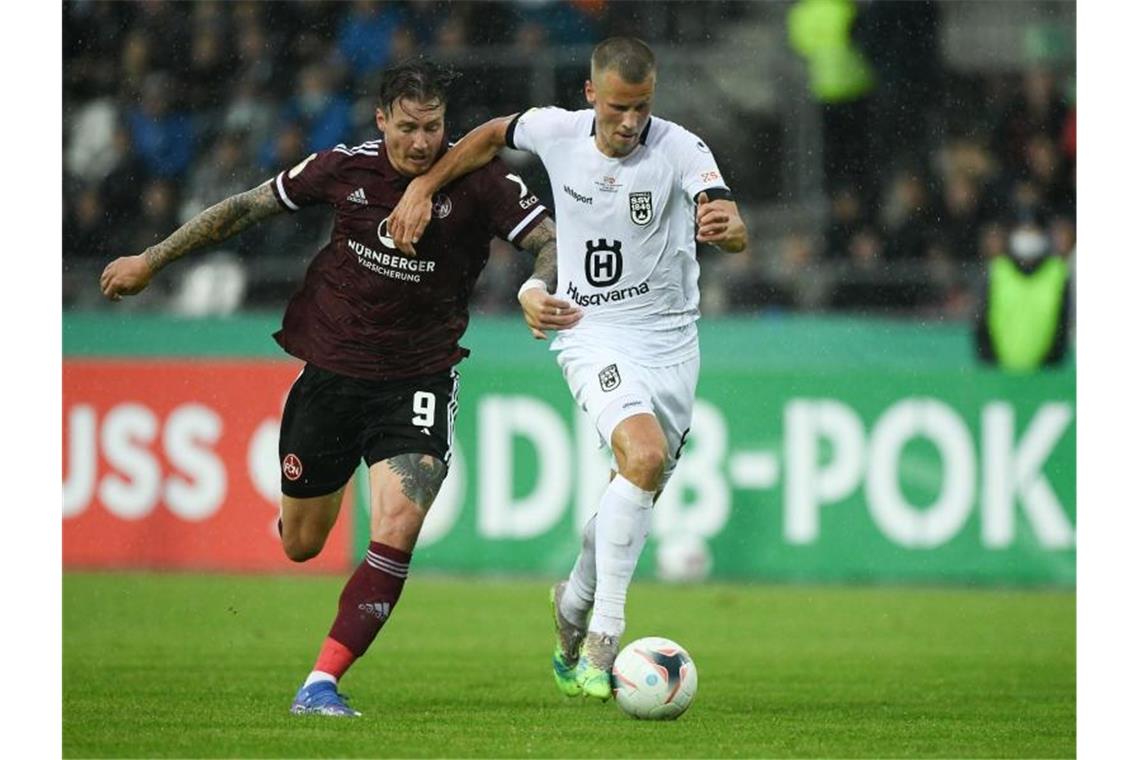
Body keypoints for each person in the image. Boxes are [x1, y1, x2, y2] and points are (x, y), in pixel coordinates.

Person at [99, 58, 578, 717]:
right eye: (407, 127)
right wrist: (151, 260)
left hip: (418, 378)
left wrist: (534, 286)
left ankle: (320, 682)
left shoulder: (484, 182)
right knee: (302, 542)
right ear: (381, 120)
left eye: (433, 128)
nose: (420, 142)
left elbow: (550, 240)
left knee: (399, 523)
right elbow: (244, 209)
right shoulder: (345, 167)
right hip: (331, 375)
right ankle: (308, 513)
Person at [387, 37, 748, 701]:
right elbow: (492, 135)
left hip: (670, 342)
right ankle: (604, 643)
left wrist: (728, 226)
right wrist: (423, 186)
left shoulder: (681, 148)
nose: (630, 121)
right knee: (640, 458)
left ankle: (572, 605)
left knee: (633, 491)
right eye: (617, 107)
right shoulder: (556, 131)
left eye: (641, 107)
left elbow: (727, 217)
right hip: (590, 329)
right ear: (590, 95)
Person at [975, 206, 1072, 371]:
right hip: (1001, 374)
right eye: (1023, 231)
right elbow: (982, 321)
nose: (1027, 238)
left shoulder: (1059, 272)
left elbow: (1064, 324)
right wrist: (990, 363)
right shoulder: (997, 271)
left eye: (1033, 232)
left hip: (1046, 375)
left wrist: (1051, 364)